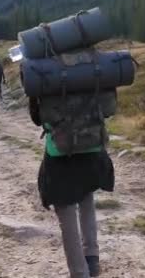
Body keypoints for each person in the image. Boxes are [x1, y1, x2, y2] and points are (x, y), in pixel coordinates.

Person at [29, 97, 115, 278]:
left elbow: (37, 118)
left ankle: (79, 272)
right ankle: (92, 258)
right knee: (86, 198)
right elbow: (107, 109)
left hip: (60, 156)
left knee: (66, 213)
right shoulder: (91, 68)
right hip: (92, 150)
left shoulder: (45, 70)